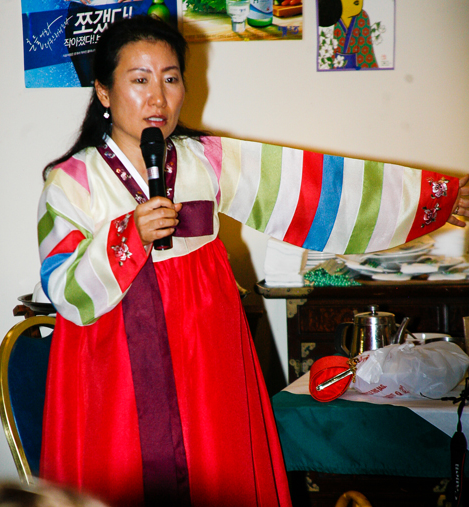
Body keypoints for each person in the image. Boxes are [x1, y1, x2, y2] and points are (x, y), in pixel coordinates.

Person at [37, 14, 469, 507]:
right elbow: (61, 286)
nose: (158, 98)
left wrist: (430, 197)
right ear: (104, 93)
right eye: (139, 80)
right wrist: (127, 234)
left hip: (206, 361)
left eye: (171, 78)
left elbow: (317, 190)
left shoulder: (207, 160)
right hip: (113, 372)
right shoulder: (70, 182)